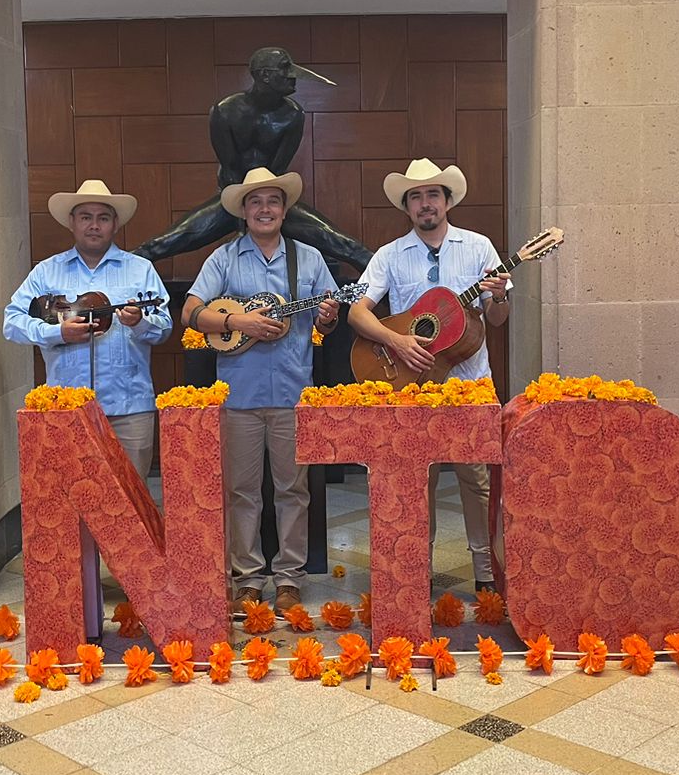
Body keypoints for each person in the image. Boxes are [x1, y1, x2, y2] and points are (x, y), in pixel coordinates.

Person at [3, 178, 170, 637]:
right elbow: (12, 322)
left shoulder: (139, 271)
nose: (94, 224)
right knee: (72, 500)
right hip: (67, 411)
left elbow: (164, 323)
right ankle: (79, 590)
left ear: (115, 223)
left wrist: (139, 323)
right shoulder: (46, 273)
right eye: (85, 217)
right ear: (72, 223)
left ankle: (137, 587)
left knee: (132, 497)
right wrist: (58, 333)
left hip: (130, 403)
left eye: (102, 216)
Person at [346, 158, 510, 594]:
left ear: (447, 200)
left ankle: (486, 575)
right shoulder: (389, 255)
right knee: (418, 481)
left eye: (432, 194)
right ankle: (418, 572)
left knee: (476, 482)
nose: (425, 203)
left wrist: (496, 297)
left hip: (469, 382)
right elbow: (357, 310)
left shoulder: (479, 248)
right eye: (416, 196)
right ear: (407, 207)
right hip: (412, 388)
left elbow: (496, 318)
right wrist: (395, 341)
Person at [181, 167, 339, 612]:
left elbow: (326, 321)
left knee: (294, 490)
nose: (265, 209)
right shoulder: (224, 259)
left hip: (293, 393)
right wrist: (237, 321)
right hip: (239, 396)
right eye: (256, 202)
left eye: (272, 201)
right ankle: (247, 577)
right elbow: (191, 312)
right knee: (241, 491)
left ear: (284, 209)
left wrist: (326, 315)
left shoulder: (307, 258)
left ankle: (289, 577)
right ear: (244, 211)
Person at [135, 47, 372, 272]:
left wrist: (266, 213)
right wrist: (245, 227)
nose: (294, 77)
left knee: (349, 248)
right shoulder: (225, 111)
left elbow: (276, 172)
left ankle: (395, 298)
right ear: (265, 75)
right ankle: (107, 286)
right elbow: (230, 170)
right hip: (231, 197)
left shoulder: (293, 115)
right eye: (285, 69)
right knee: (158, 246)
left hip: (271, 200)